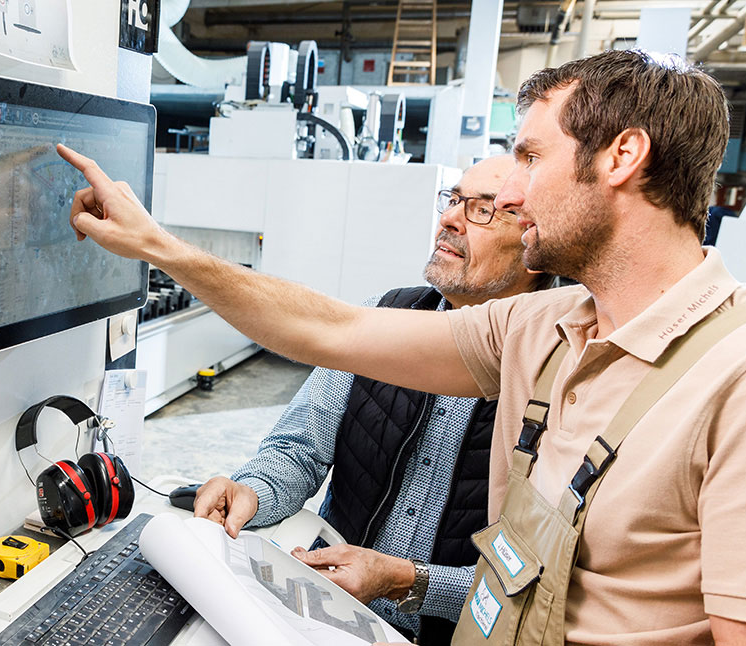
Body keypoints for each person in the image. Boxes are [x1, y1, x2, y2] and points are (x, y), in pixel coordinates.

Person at [56, 49, 746, 644]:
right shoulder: (546, 328)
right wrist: (157, 246)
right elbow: (331, 330)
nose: (517, 193)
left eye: (531, 156)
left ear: (623, 155)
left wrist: (410, 581)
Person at [190, 155, 554, 645]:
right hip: (323, 609)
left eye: (482, 210)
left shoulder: (555, 368)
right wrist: (252, 492)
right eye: (453, 200)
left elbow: (540, 583)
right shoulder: (388, 316)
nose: (449, 219)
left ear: (533, 240)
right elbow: (300, 448)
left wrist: (412, 583)